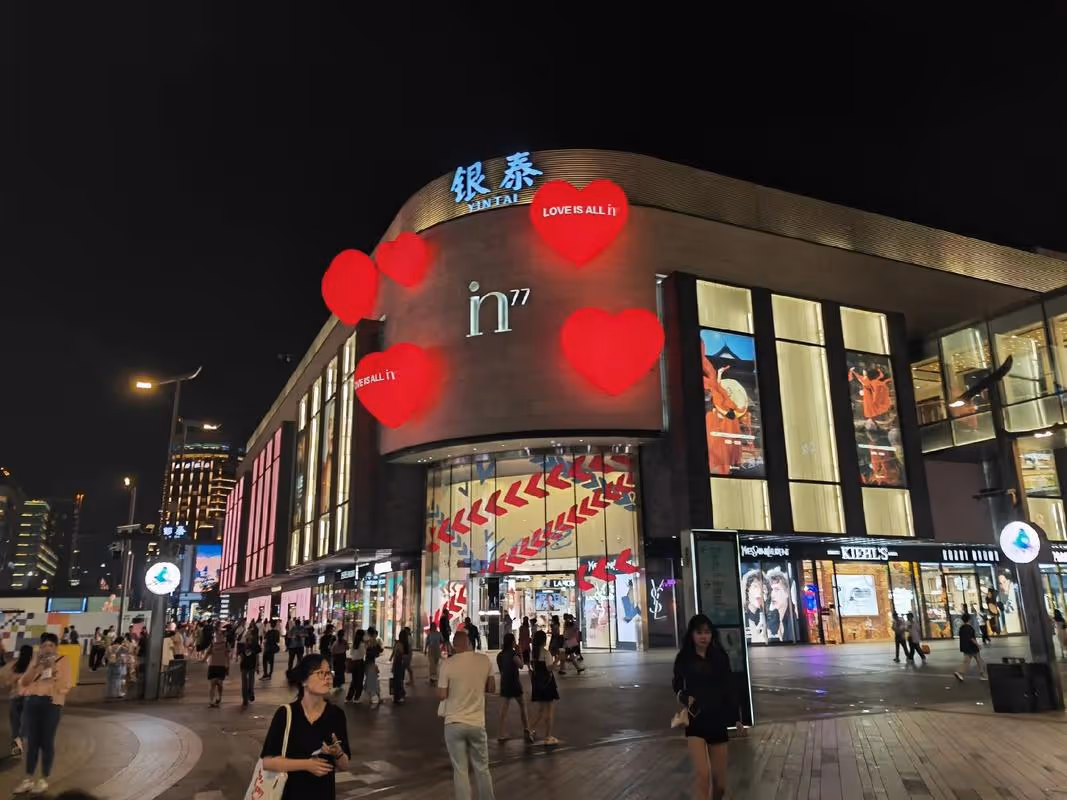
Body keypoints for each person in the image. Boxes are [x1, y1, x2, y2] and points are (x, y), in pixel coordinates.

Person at [259, 653, 351, 800]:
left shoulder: (336, 715)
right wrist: (307, 765)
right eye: (321, 673)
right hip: (290, 794)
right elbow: (268, 762)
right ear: (304, 681)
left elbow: (345, 765)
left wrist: (338, 753)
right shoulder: (286, 714)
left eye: (329, 672)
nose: (328, 677)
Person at [673, 614, 744, 800]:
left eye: (707, 632)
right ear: (692, 635)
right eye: (699, 632)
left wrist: (737, 717)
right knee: (702, 777)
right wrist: (685, 697)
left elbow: (730, 687)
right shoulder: (684, 658)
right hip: (695, 722)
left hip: (717, 721)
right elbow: (677, 685)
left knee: (720, 785)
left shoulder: (720, 658)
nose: (703, 636)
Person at [438, 631, 496, 800]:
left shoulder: (447, 664)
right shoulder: (483, 660)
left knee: (460, 770)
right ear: (470, 643)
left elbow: (441, 695)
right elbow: (491, 688)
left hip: (453, 722)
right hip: (476, 722)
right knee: (482, 768)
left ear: (454, 646)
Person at [14, 633, 71, 795]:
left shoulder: (63, 661)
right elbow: (24, 682)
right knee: (32, 743)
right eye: (44, 645)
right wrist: (35, 666)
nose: (47, 648)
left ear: (56, 647)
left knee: (46, 742)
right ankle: (28, 779)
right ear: (40, 647)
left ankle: (44, 778)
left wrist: (53, 670)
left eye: (51, 645)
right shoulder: (35, 660)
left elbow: (65, 686)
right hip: (32, 702)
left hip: (51, 704)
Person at [495, 633, 531, 743]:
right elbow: (521, 665)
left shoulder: (500, 655)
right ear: (512, 642)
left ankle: (501, 733)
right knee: (522, 706)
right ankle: (526, 729)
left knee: (504, 710)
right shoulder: (513, 654)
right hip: (514, 683)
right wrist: (519, 651)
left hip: (504, 683)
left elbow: (501, 669)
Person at [527, 629, 560, 745]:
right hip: (548, 683)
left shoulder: (533, 654)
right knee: (549, 711)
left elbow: (532, 667)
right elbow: (550, 668)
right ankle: (548, 736)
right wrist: (558, 660)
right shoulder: (546, 653)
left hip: (537, 684)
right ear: (543, 641)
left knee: (540, 710)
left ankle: (530, 729)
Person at [1, 645, 33, 757]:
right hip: (28, 698)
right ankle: (21, 739)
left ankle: (17, 743)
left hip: (14, 697)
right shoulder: (33, 667)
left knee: (15, 723)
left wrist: (12, 683)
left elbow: (6, 682)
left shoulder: (13, 666)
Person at [954, 612, 987, 682]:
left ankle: (960, 673)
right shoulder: (970, 628)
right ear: (969, 619)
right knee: (979, 660)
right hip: (972, 647)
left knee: (966, 661)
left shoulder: (962, 628)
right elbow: (971, 638)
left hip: (965, 647)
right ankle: (982, 675)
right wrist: (978, 645)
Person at [207, 628, 231, 708]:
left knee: (219, 683)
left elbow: (227, 656)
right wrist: (203, 660)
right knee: (213, 683)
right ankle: (211, 701)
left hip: (221, 666)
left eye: (220, 635)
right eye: (217, 635)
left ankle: (219, 697)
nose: (218, 636)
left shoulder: (226, 644)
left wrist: (228, 667)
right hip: (213, 665)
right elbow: (208, 653)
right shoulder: (212, 644)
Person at [240, 629, 261, 707]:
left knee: (251, 682)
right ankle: (245, 699)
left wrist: (257, 666)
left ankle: (251, 693)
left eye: (249, 634)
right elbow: (241, 655)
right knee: (244, 683)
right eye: (247, 634)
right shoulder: (243, 644)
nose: (248, 635)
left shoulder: (255, 644)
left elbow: (257, 656)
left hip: (252, 666)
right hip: (244, 666)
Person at [346, 630, 366, 703]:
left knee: (354, 681)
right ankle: (357, 698)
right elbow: (363, 653)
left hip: (353, 663)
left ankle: (349, 697)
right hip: (360, 663)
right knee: (359, 681)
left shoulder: (354, 644)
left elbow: (351, 654)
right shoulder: (362, 644)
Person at [363, 627, 382, 706]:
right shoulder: (373, 641)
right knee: (372, 680)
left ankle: (373, 697)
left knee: (370, 679)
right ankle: (376, 697)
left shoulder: (367, 641)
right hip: (371, 662)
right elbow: (377, 652)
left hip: (368, 662)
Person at [390, 630, 409, 704]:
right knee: (399, 680)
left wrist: (391, 659)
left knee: (397, 680)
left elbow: (395, 654)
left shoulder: (398, 644)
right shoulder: (403, 645)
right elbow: (398, 655)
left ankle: (397, 696)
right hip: (400, 664)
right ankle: (397, 697)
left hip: (398, 664)